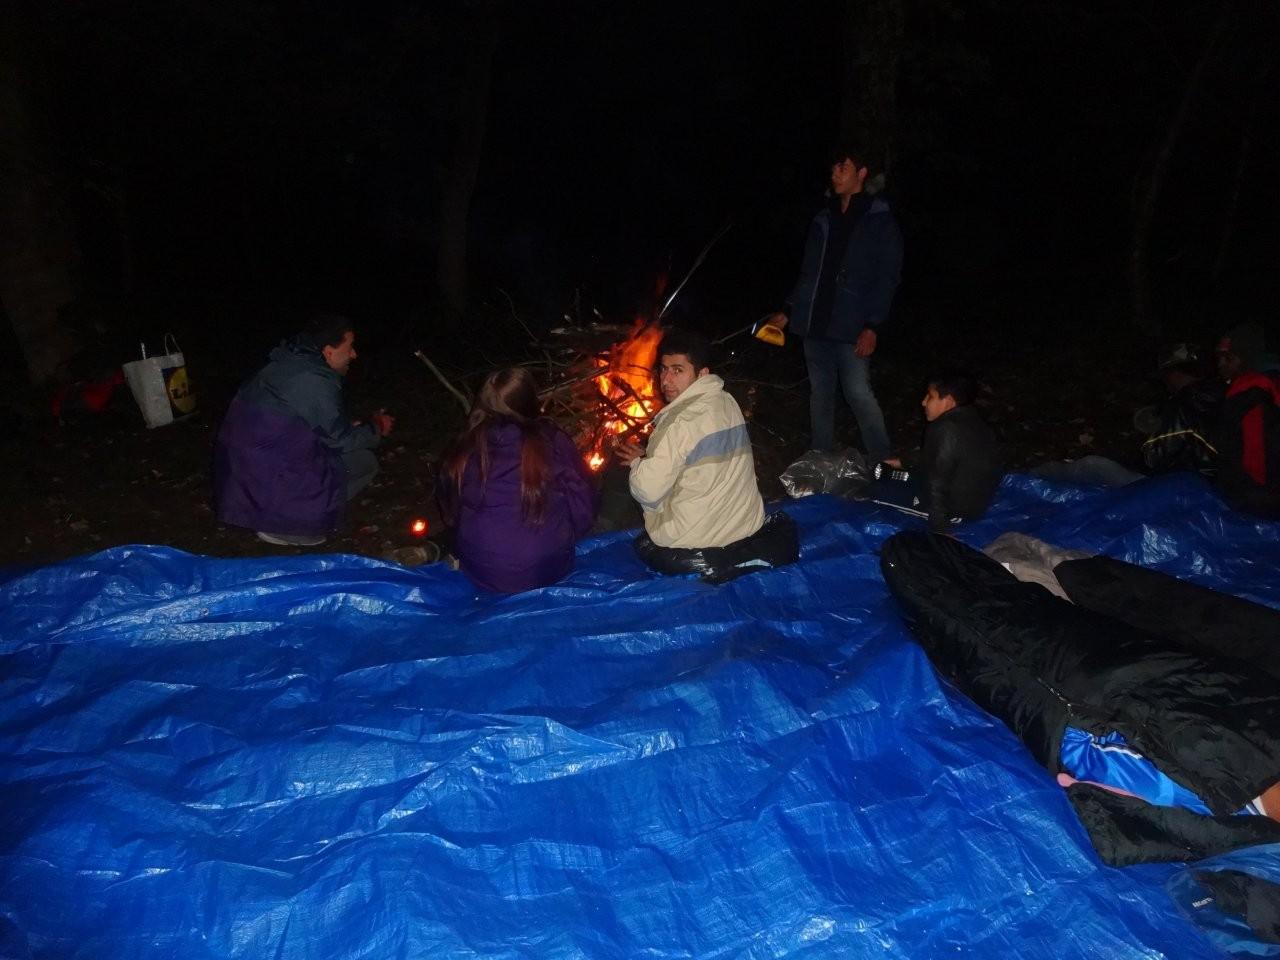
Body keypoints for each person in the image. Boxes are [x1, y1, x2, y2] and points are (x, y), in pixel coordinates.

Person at [617, 330, 795, 581]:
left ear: (702, 373)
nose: (666, 380)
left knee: (633, 479)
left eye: (678, 370)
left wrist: (639, 464)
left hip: (694, 537)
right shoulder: (727, 401)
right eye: (663, 370)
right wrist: (652, 457)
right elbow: (698, 455)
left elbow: (647, 491)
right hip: (745, 524)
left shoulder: (678, 421)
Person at [765, 143, 904, 458]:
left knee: (858, 393)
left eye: (843, 167)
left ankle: (885, 461)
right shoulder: (823, 219)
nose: (835, 174)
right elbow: (808, 272)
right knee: (820, 394)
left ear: (861, 172)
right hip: (815, 321)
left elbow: (888, 278)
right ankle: (819, 458)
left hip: (852, 325)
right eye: (833, 168)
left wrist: (873, 326)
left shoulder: (879, 220)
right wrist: (789, 310)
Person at [214, 313, 393, 546]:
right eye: (349, 347)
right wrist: (377, 427)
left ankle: (277, 515)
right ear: (328, 351)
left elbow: (296, 423)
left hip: (241, 481)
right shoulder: (313, 378)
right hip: (268, 480)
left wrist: (351, 428)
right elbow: (340, 442)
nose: (353, 354)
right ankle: (291, 526)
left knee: (339, 453)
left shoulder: (288, 362)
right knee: (365, 462)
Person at [438, 367, 597, 593]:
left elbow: (451, 511)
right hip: (545, 568)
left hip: (480, 567)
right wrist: (568, 534)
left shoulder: (465, 444)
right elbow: (583, 504)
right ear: (529, 400)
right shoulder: (551, 439)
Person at [873, 371, 1002, 534]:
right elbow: (939, 457)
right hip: (976, 501)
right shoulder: (973, 419)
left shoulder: (944, 428)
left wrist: (941, 529)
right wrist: (903, 462)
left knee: (877, 494)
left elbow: (936, 483)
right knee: (897, 476)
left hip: (954, 511)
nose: (923, 403)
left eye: (930, 397)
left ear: (948, 401)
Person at [1214, 321, 1280, 518]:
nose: (1220, 364)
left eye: (1228, 358)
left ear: (1245, 359)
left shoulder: (1249, 391)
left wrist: (1250, 494)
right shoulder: (1269, 384)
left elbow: (1253, 451)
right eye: (1219, 358)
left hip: (1259, 497)